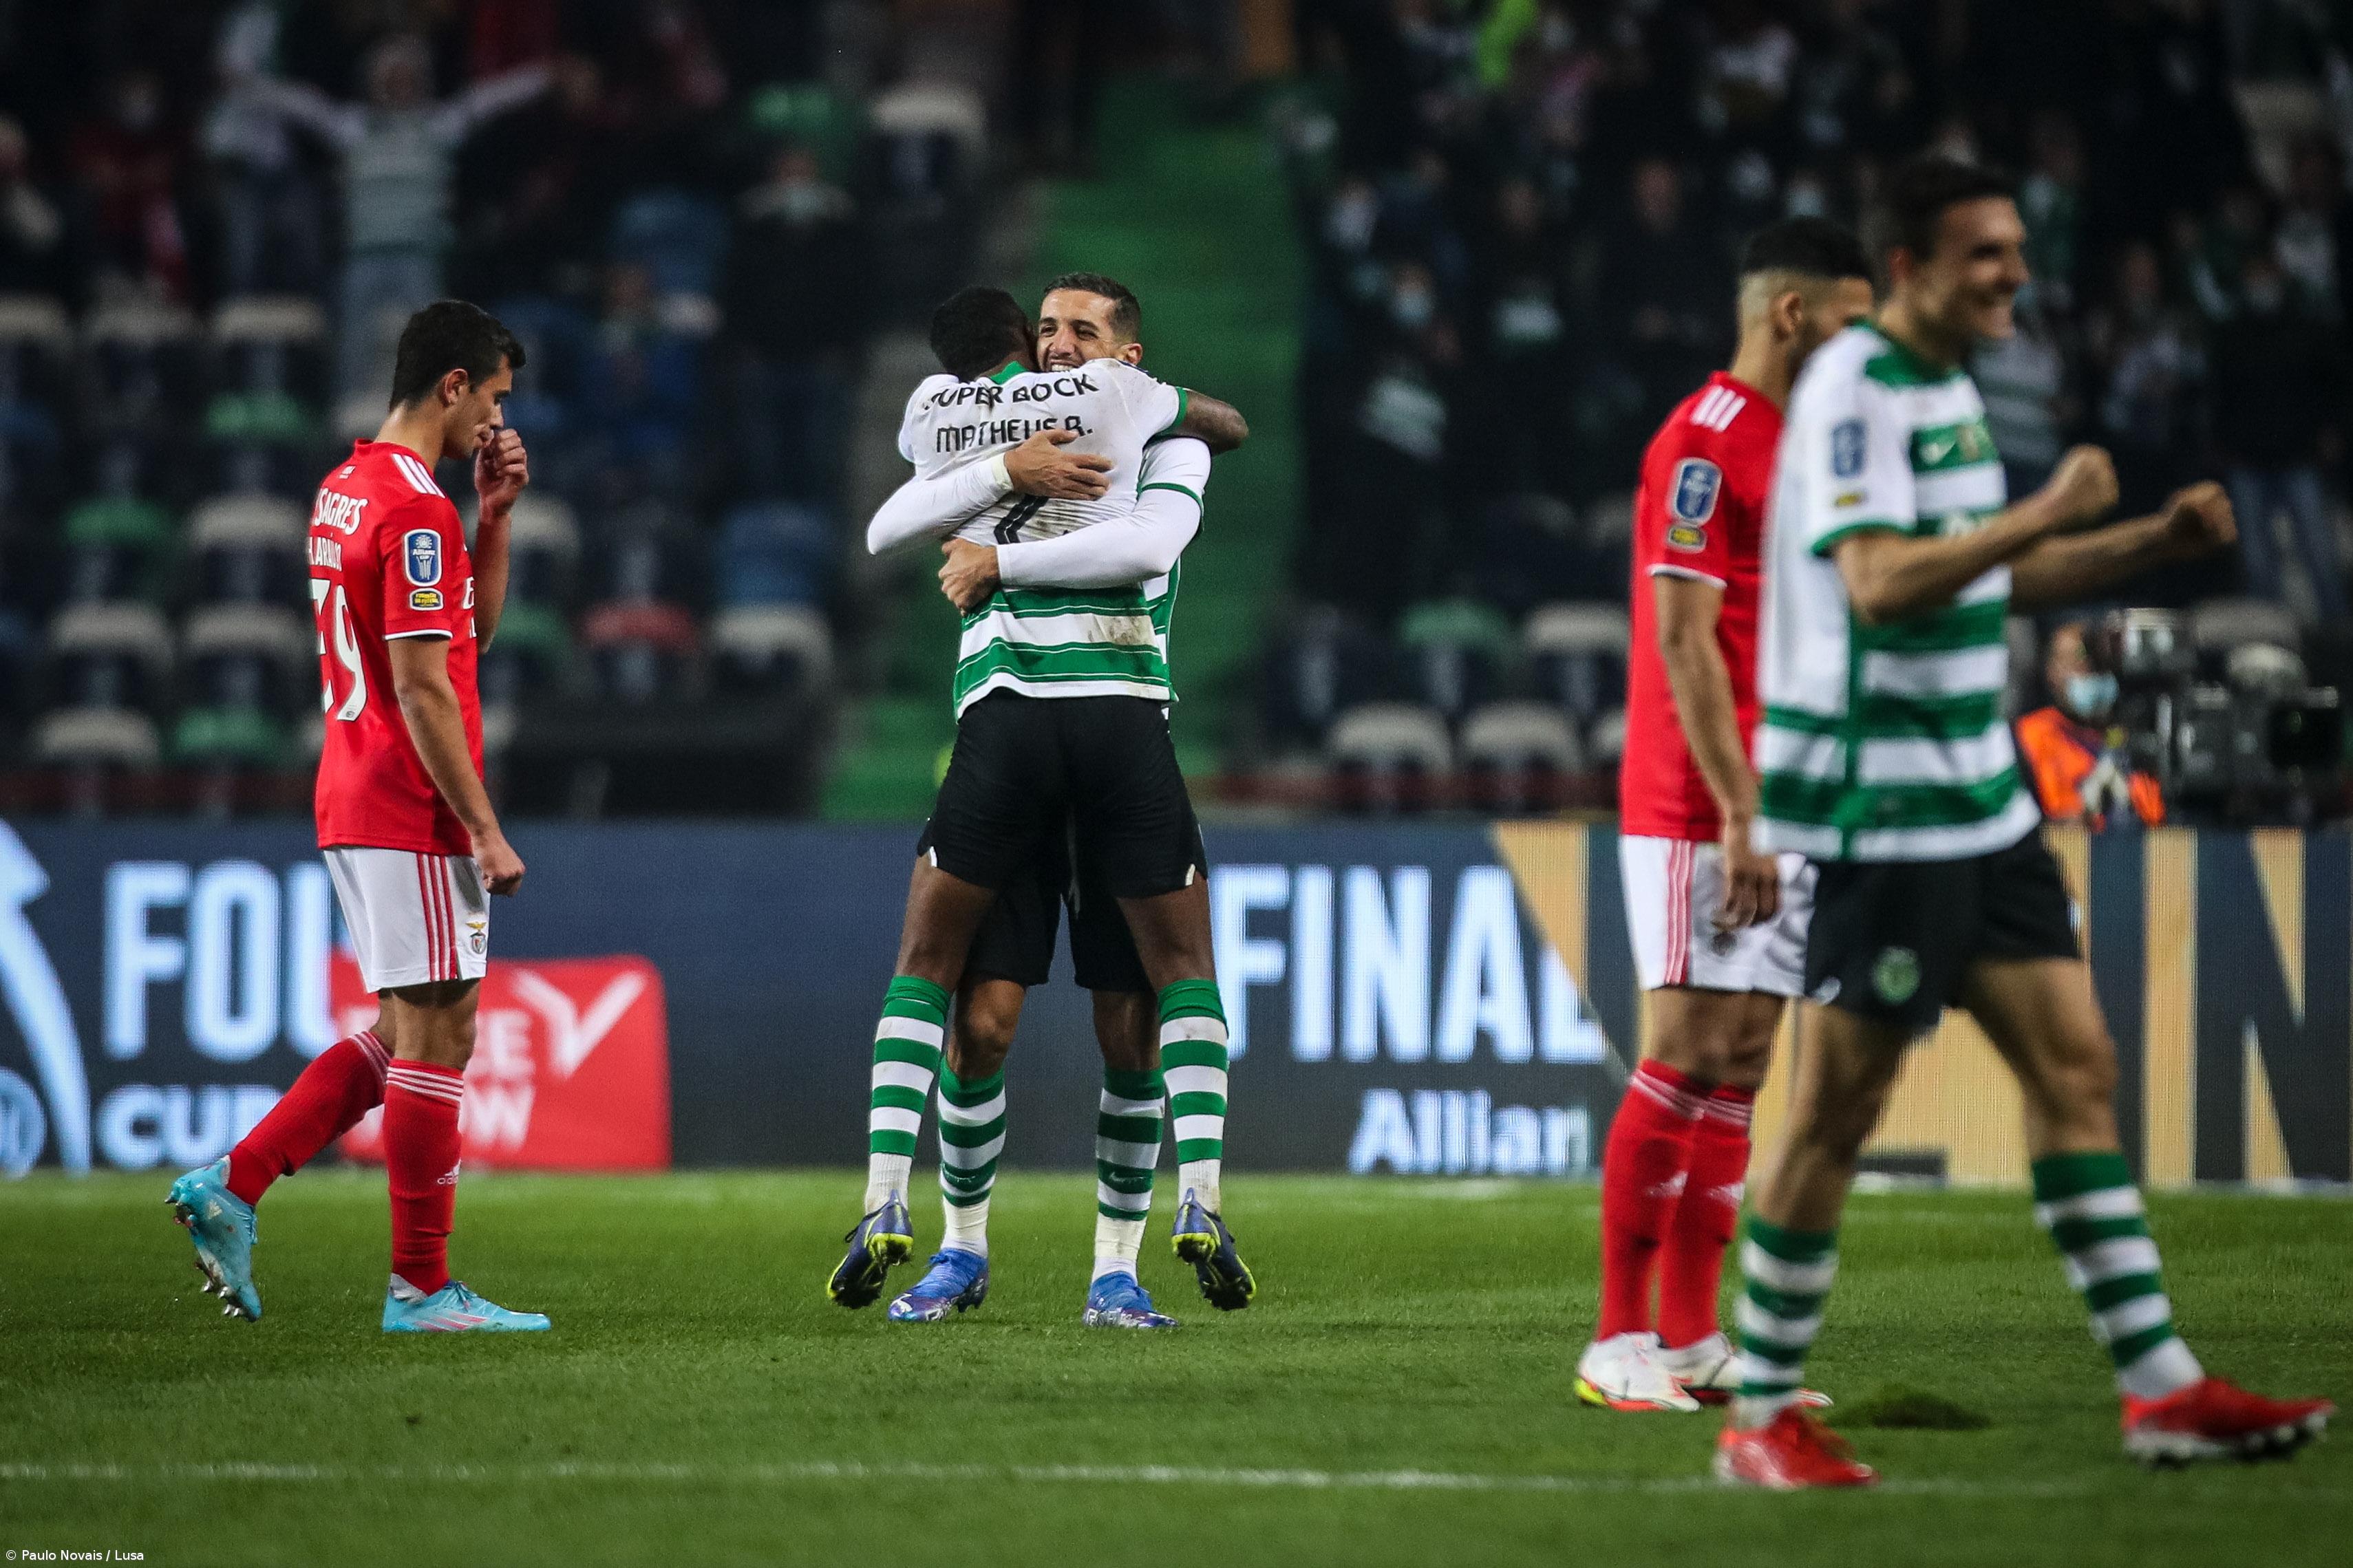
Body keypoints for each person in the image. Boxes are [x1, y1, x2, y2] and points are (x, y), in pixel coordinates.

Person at [1719, 155, 2331, 1488]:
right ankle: (1757, 1413)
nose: (2011, 269)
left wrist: (2144, 543)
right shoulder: (1852, 391)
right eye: (1983, 252)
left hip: (1976, 793)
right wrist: (2043, 506)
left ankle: (2158, 1387)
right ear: (1913, 268)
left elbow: (1984, 576)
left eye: (2012, 246)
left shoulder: (1946, 385)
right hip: (1881, 801)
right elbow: (1880, 583)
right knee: (1833, 1107)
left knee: (2076, 1068)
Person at [830, 286, 1250, 1331]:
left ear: (1130, 359)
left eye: (1084, 335)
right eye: (1048, 331)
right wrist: (999, 472)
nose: (1061, 349)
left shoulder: (1164, 441)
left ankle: (1120, 1265)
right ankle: (953, 1248)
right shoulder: (986, 432)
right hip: (1013, 727)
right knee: (981, 1022)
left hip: (1106, 718)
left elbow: (1148, 541)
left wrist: (995, 552)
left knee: (1130, 1021)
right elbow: (893, 520)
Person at [167, 301, 545, 1333]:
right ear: (453, 385)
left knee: (401, 1028)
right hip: (408, 797)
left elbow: (462, 637)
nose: (499, 421)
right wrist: (481, 827)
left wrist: (496, 518)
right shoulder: (411, 509)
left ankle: (236, 1181)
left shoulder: (349, 487)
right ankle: (421, 1286)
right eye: (496, 398)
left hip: (353, 790)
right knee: (441, 1031)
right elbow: (426, 690)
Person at [1578, 217, 1875, 1414]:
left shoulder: (1803, 445)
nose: (1865, 352)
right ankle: (1614, 1337)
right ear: (1790, 313)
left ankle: (1695, 1337)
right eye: (1851, 325)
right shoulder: (1702, 444)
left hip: (1784, 795)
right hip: (1698, 801)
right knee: (1683, 1050)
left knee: (1743, 1062)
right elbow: (1685, 641)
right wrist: (1740, 813)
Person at [2014, 621, 2162, 828]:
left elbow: (2157, 815)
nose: (2090, 672)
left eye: (2098, 665)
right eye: (2077, 664)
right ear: (2052, 672)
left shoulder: (2134, 733)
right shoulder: (2030, 734)